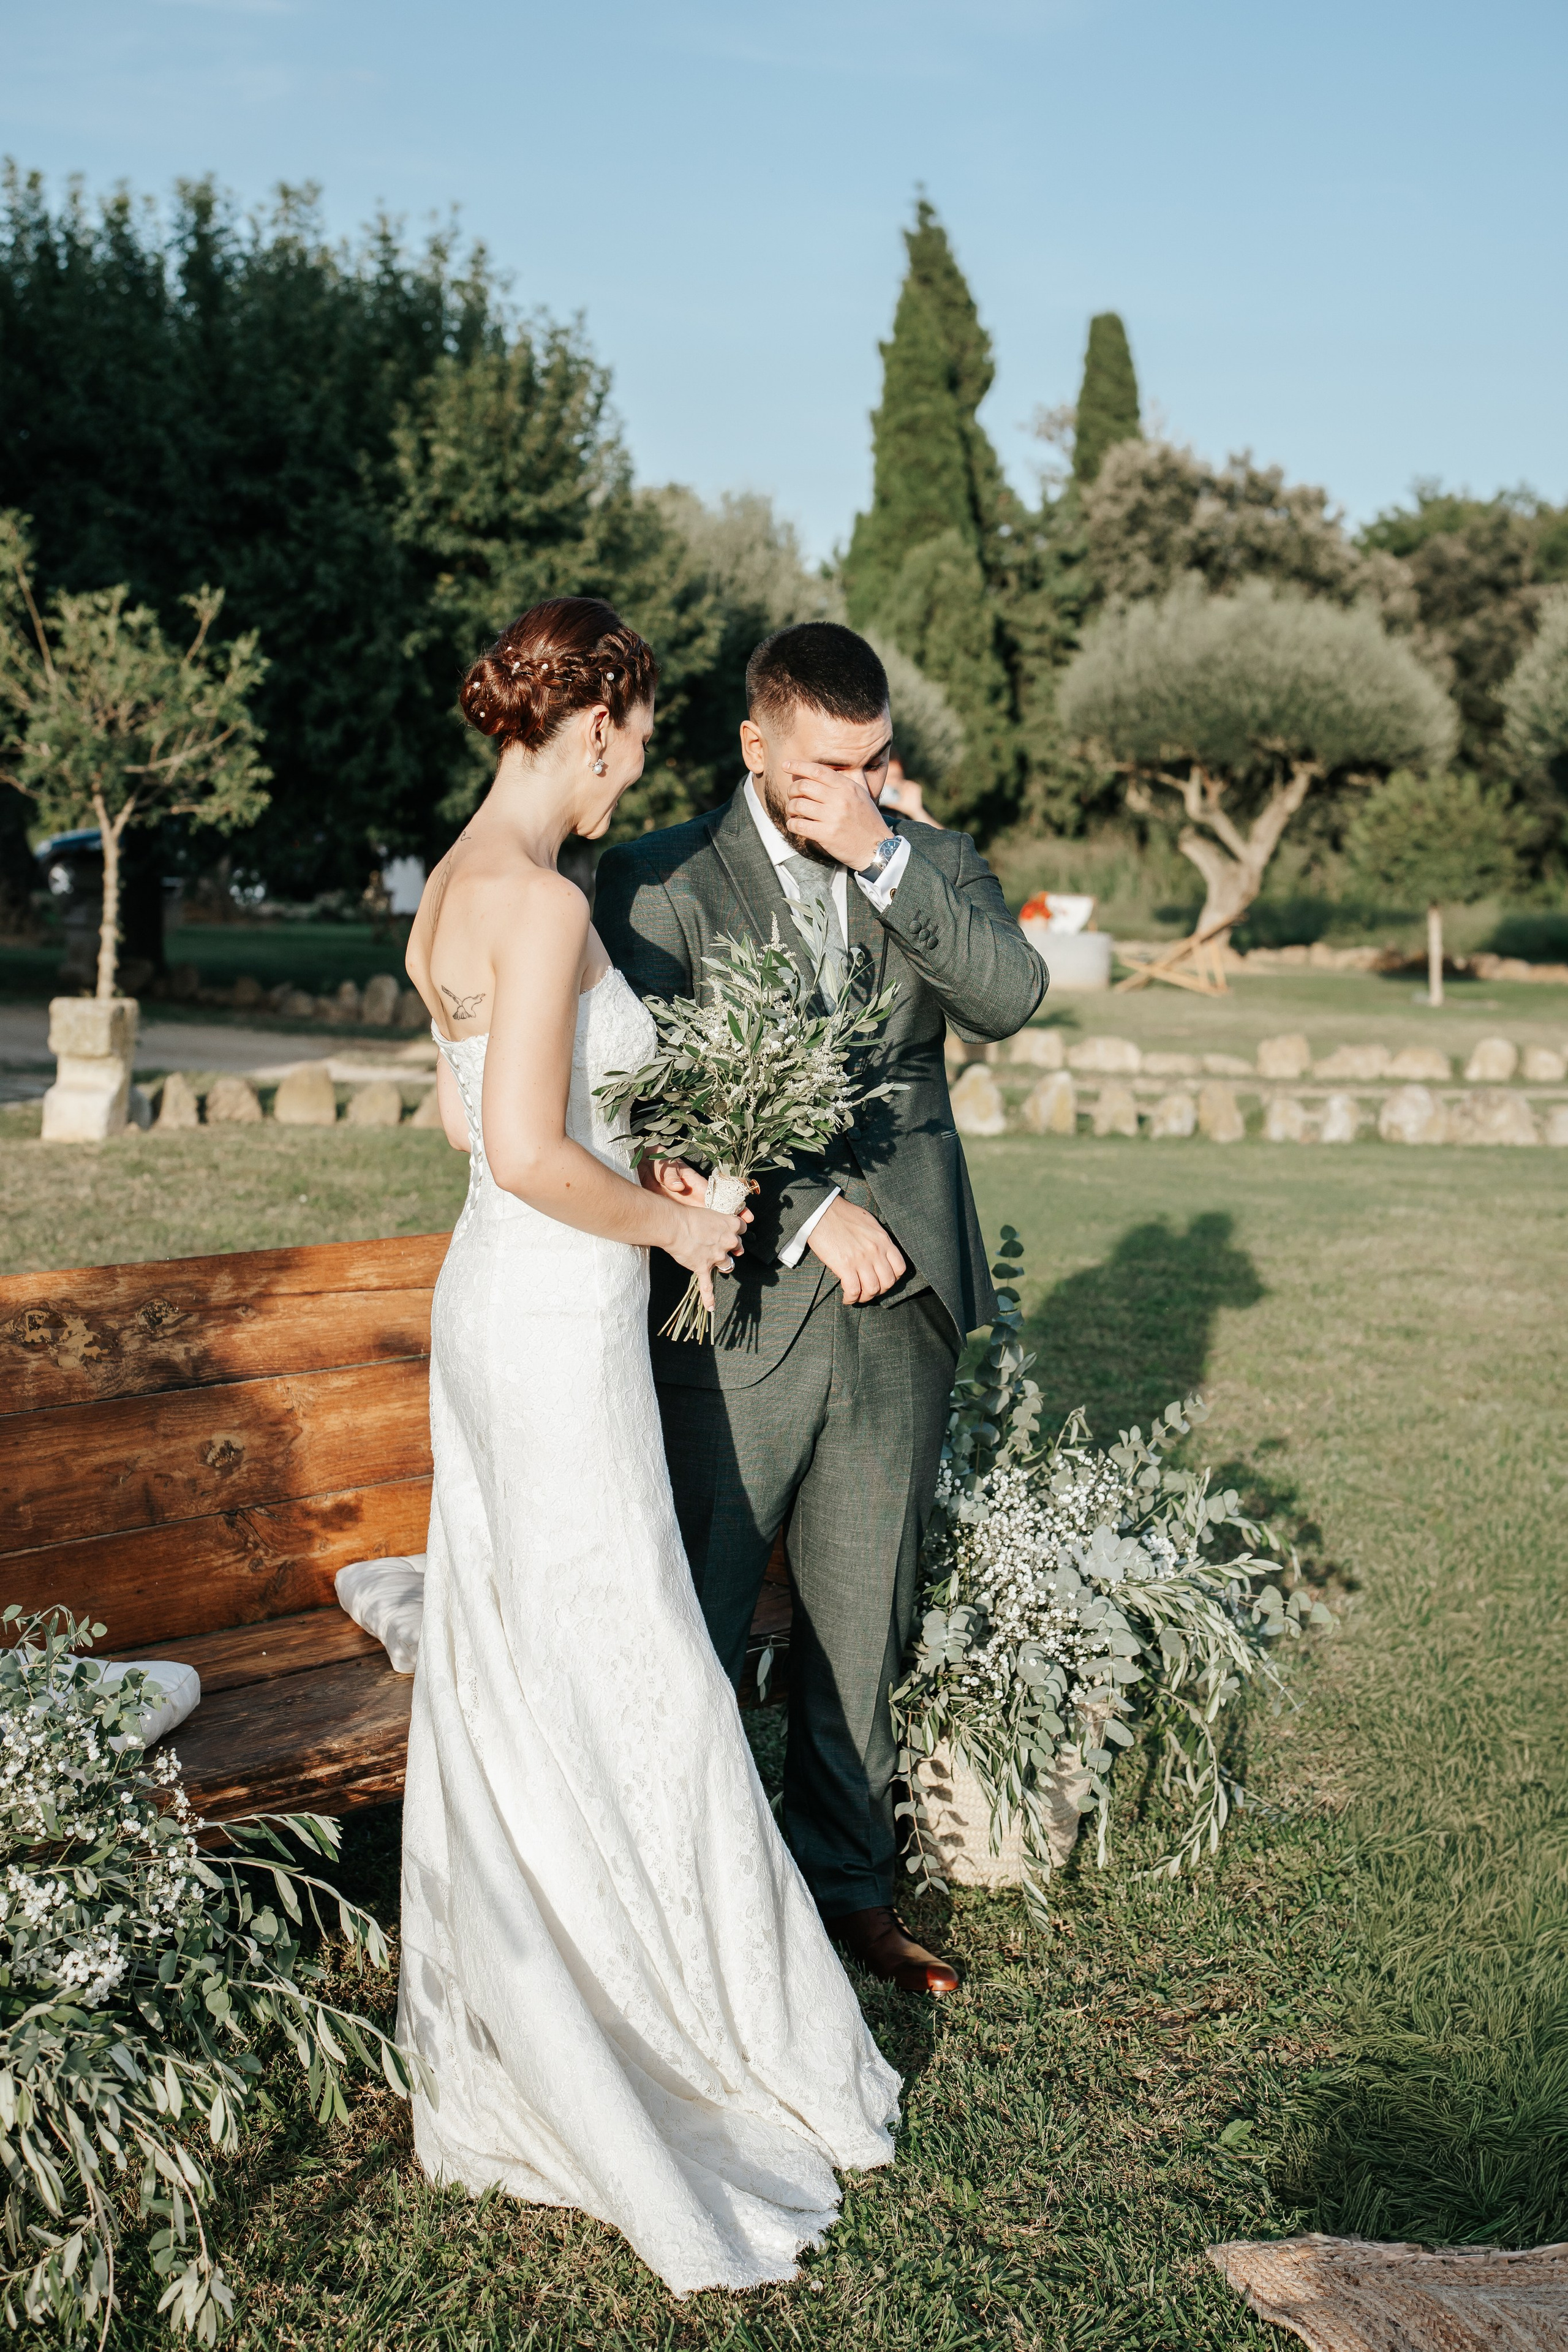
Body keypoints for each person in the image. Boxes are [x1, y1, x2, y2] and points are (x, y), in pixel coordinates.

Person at [395, 597, 900, 2296]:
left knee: (539, 1658)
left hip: (500, 1313)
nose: (638, 776)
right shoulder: (540, 902)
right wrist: (674, 1232)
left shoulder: (445, 897)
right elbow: (537, 1157)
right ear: (594, 724)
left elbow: (475, 1127)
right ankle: (670, 2022)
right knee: (620, 1651)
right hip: (551, 1326)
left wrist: (651, 1174)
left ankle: (581, 1985)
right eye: (635, 741)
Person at [595, 623, 1048, 1998]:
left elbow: (1010, 995)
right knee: (703, 1619)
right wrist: (799, 1208)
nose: (844, 784)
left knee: (863, 1622)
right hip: (738, 1305)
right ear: (754, 744)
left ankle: (847, 1890)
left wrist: (878, 849)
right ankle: (683, 1905)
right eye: (818, 766)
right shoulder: (661, 873)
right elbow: (651, 1093)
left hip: (900, 1300)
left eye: (868, 762)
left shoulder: (923, 854)